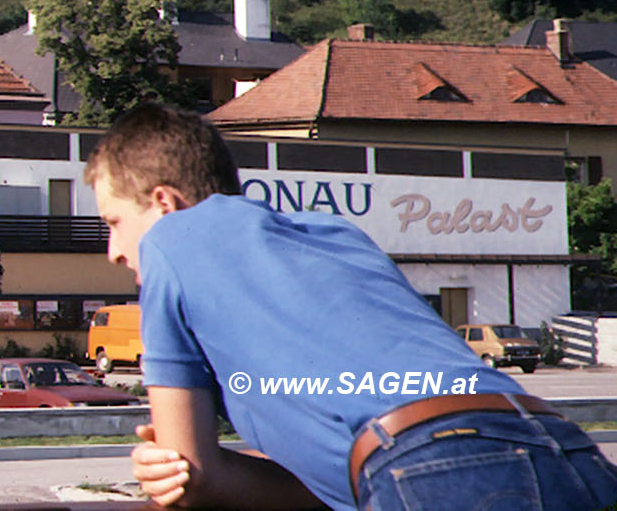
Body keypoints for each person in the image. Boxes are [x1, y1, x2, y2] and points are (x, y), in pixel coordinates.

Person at [88, 103, 617, 510]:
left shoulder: (168, 240)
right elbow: (344, 480)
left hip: (431, 463)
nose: (112, 252)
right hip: (559, 444)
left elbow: (193, 481)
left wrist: (174, 470)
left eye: (113, 223)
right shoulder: (334, 232)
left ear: (164, 202)